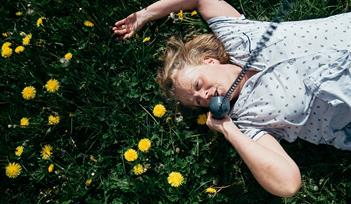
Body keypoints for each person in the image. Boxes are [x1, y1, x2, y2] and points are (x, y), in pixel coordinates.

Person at [112, 0, 351, 198]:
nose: (203, 96)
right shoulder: (248, 120)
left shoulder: (239, 39)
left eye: (198, 85)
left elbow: (200, 0)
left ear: (209, 61)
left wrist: (145, 15)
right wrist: (229, 130)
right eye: (198, 102)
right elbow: (287, 184)